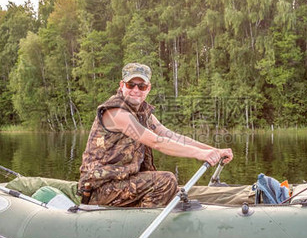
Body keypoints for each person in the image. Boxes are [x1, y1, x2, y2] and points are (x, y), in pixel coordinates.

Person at [78, 63, 233, 207]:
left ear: (148, 88)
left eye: (142, 85)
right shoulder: (116, 113)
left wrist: (214, 150)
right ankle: (139, 219)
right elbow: (156, 142)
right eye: (131, 84)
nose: (136, 90)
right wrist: (200, 154)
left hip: (123, 182)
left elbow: (170, 135)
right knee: (166, 181)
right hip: (99, 188)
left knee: (168, 185)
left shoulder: (142, 113)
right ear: (122, 85)